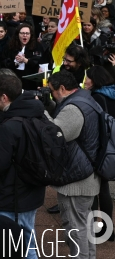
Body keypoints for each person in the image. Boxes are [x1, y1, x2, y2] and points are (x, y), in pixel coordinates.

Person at [0, 73, 46, 259]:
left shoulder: (9, 127)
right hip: (31, 194)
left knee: (1, 248)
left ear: (4, 97)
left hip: (9, 198)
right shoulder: (36, 115)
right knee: (28, 242)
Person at [44, 71, 101, 259]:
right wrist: (50, 104)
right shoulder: (83, 98)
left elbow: (55, 135)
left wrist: (41, 110)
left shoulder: (73, 109)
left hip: (76, 183)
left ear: (62, 88)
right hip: (86, 176)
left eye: (52, 91)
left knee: (75, 230)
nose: (51, 94)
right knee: (84, 226)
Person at [83, 65, 115, 242]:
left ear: (94, 80)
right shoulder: (113, 93)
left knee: (96, 189)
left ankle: (97, 227)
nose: (85, 81)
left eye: (87, 78)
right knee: (104, 189)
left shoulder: (96, 97)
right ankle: (108, 229)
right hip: (112, 147)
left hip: (100, 148)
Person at [2, 23, 45, 90]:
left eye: (27, 33)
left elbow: (39, 61)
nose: (25, 35)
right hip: (14, 79)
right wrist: (16, 62)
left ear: (31, 35)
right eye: (22, 33)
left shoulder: (37, 46)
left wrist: (25, 60)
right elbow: (4, 62)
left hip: (31, 81)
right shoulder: (10, 46)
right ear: (18, 35)